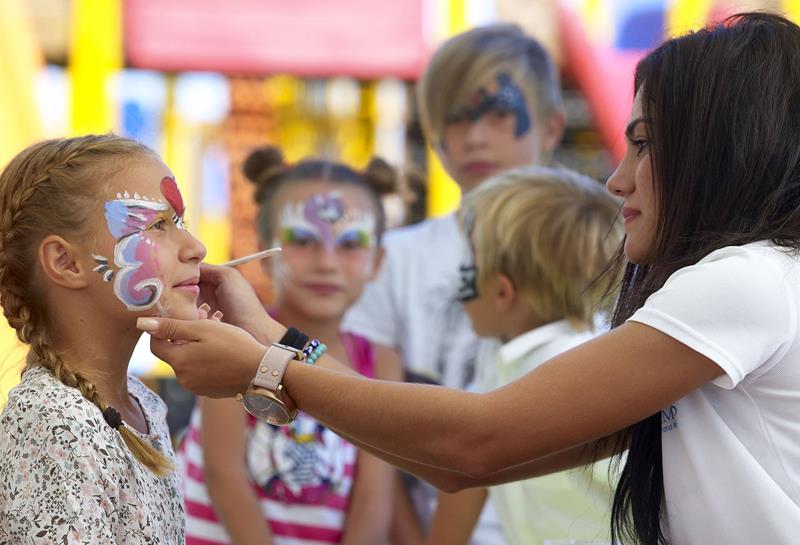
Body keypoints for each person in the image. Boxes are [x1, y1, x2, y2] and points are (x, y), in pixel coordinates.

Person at [140, 12, 800, 545]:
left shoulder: (745, 281)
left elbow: (473, 440)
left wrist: (265, 365)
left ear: (719, 151)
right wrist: (276, 340)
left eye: (646, 143)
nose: (616, 177)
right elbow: (452, 463)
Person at [342, 23, 565, 543]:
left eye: (498, 113)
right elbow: (366, 424)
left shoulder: (605, 252)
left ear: (552, 127)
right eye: (455, 117)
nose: (474, 136)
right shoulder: (392, 259)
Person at [180, 146, 402, 545]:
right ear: (264, 251)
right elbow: (224, 476)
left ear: (378, 260)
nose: (327, 262)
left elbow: (374, 498)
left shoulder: (382, 362)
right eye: (303, 240)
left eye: (351, 244)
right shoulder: (234, 333)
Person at [0, 134, 207, 543]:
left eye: (180, 222)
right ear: (66, 262)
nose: (196, 248)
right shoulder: (52, 425)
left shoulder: (142, 405)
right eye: (158, 225)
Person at [424, 166, 623, 545]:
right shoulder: (505, 357)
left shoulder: (580, 373)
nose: (458, 275)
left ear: (502, 292)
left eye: (470, 261)